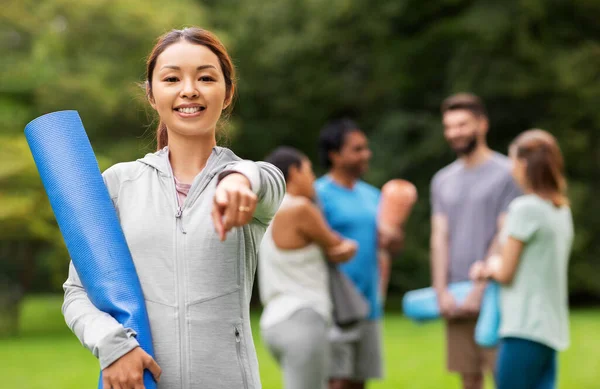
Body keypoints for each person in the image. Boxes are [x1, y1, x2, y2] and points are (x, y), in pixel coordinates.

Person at [61, 27, 285, 389]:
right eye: (172, 78)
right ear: (152, 94)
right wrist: (112, 345)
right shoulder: (118, 184)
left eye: (206, 77)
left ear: (227, 93)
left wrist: (237, 180)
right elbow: (78, 292)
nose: (189, 90)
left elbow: (270, 179)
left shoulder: (249, 187)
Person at [430, 93, 521, 389]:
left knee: (503, 376)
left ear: (482, 125)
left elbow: (505, 234)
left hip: (498, 291)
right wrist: (441, 290)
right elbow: (439, 237)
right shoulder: (442, 179)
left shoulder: (509, 172)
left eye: (462, 124)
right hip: (455, 294)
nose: (454, 132)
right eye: (449, 126)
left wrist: (480, 289)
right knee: (468, 378)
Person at [470, 129, 573, 389]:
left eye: (512, 161)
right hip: (550, 329)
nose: (510, 169)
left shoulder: (524, 208)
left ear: (525, 164)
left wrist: (486, 268)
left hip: (523, 326)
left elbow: (505, 272)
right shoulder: (560, 210)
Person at [258, 146, 357, 389]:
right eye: (309, 171)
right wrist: (349, 246)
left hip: (273, 321)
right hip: (303, 318)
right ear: (295, 172)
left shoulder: (264, 213)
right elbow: (337, 247)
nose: (313, 179)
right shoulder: (300, 208)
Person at [315, 118, 401, 389]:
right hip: (336, 304)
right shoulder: (319, 195)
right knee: (337, 381)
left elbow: (391, 248)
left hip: (369, 305)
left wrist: (393, 238)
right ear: (335, 155)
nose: (367, 154)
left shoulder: (374, 195)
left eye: (366, 148)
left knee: (359, 382)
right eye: (357, 149)